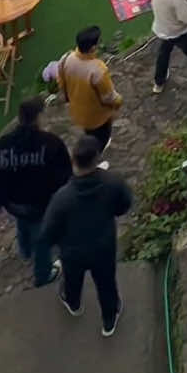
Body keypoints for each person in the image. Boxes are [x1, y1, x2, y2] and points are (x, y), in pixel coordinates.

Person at [42, 134, 132, 337]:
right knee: (106, 283)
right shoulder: (113, 182)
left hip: (73, 253)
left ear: (73, 160)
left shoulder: (62, 198)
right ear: (97, 159)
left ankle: (73, 303)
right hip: (104, 247)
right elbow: (124, 205)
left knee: (72, 281)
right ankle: (109, 320)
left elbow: (48, 232)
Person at [0, 95, 72, 288]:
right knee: (43, 240)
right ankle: (44, 275)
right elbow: (64, 177)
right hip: (41, 206)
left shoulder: (3, 145)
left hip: (14, 205)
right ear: (39, 117)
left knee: (22, 225)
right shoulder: (51, 143)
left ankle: (25, 252)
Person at [56, 28, 123, 154]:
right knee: (100, 141)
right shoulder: (98, 69)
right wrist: (119, 101)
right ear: (92, 48)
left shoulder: (66, 59)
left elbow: (61, 82)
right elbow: (108, 97)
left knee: (90, 135)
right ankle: (96, 161)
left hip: (76, 111)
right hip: (97, 117)